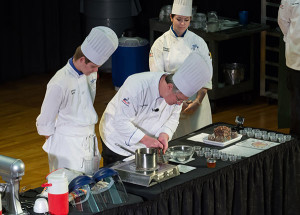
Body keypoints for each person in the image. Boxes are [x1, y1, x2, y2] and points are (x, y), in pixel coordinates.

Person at [99, 52, 212, 166]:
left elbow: (173, 118)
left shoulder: (177, 93)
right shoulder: (136, 86)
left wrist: (165, 134)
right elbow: (120, 121)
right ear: (169, 87)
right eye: (178, 99)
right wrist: (145, 139)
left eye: (181, 100)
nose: (179, 104)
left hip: (144, 145)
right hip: (117, 140)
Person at [36, 26, 118, 173]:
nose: (96, 71)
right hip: (67, 146)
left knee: (88, 185)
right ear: (82, 60)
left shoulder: (91, 74)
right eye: (93, 66)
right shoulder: (59, 82)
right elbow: (45, 122)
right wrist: (57, 147)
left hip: (88, 139)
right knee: (68, 187)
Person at [149, 0, 213, 139]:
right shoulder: (160, 43)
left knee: (200, 140)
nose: (182, 23)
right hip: (170, 99)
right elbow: (157, 76)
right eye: (178, 19)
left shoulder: (199, 42)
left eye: (186, 20)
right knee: (173, 142)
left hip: (197, 100)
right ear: (171, 17)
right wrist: (177, 100)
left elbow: (207, 74)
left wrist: (197, 102)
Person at [278, 0, 300, 136]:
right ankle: (296, 140)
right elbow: (283, 21)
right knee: (297, 100)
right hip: (295, 57)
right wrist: (290, 39)